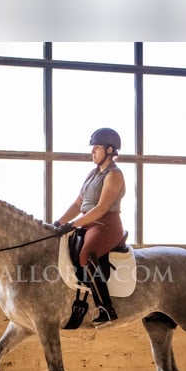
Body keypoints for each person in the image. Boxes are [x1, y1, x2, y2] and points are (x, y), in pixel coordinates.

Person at [53, 127, 126, 325]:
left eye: (96, 148)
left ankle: (106, 308)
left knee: (87, 254)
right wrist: (58, 223)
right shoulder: (92, 174)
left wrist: (73, 224)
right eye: (92, 148)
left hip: (105, 225)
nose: (92, 152)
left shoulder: (114, 175)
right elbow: (78, 204)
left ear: (110, 150)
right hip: (88, 222)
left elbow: (102, 208)